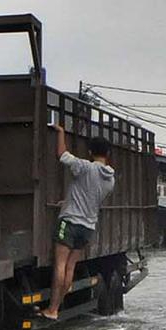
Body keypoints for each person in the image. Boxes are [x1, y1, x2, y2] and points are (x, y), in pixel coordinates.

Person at [48, 128, 117, 319]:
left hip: (70, 221)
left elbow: (62, 154)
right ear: (108, 153)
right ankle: (56, 308)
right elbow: (89, 196)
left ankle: (52, 309)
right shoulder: (110, 180)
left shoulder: (85, 167)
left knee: (60, 265)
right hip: (88, 228)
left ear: (90, 152)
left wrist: (60, 132)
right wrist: (68, 201)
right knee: (70, 267)